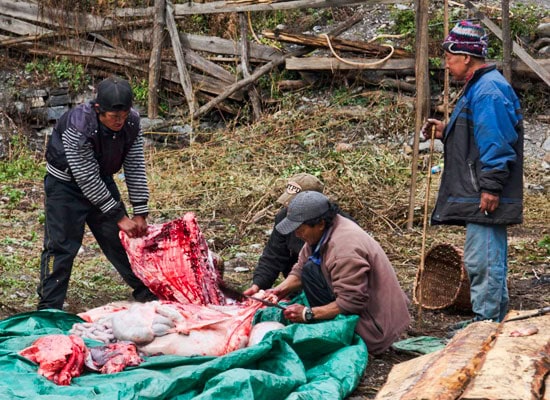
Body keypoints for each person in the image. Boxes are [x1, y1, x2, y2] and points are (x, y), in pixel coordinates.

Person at [424, 21, 524, 326]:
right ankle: (492, 318)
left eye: (450, 57)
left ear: (466, 57)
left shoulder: (488, 90)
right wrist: (446, 131)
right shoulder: (479, 87)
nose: (446, 63)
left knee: (485, 260)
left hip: (486, 192)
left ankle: (485, 323)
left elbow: (496, 140)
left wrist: (491, 186)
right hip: (478, 187)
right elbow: (477, 137)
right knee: (483, 258)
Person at [38, 76, 156, 310]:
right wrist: (120, 216)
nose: (120, 121)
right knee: (61, 247)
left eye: (123, 115)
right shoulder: (78, 126)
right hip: (66, 186)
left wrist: (140, 211)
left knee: (122, 242)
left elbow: (134, 165)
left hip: (101, 179)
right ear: (99, 109)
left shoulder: (131, 123)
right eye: (114, 117)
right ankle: (49, 308)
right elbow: (85, 176)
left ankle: (148, 295)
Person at [269, 191, 410, 355]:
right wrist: (279, 290)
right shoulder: (325, 230)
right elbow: (301, 267)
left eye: (300, 229)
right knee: (309, 269)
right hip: (365, 308)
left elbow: (351, 302)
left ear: (320, 223)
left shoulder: (344, 250)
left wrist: (308, 313)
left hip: (377, 328)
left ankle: (353, 335)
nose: (296, 234)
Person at [243, 173, 325, 296]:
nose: (289, 209)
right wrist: (258, 285)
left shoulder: (330, 224)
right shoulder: (284, 218)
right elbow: (273, 256)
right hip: (295, 287)